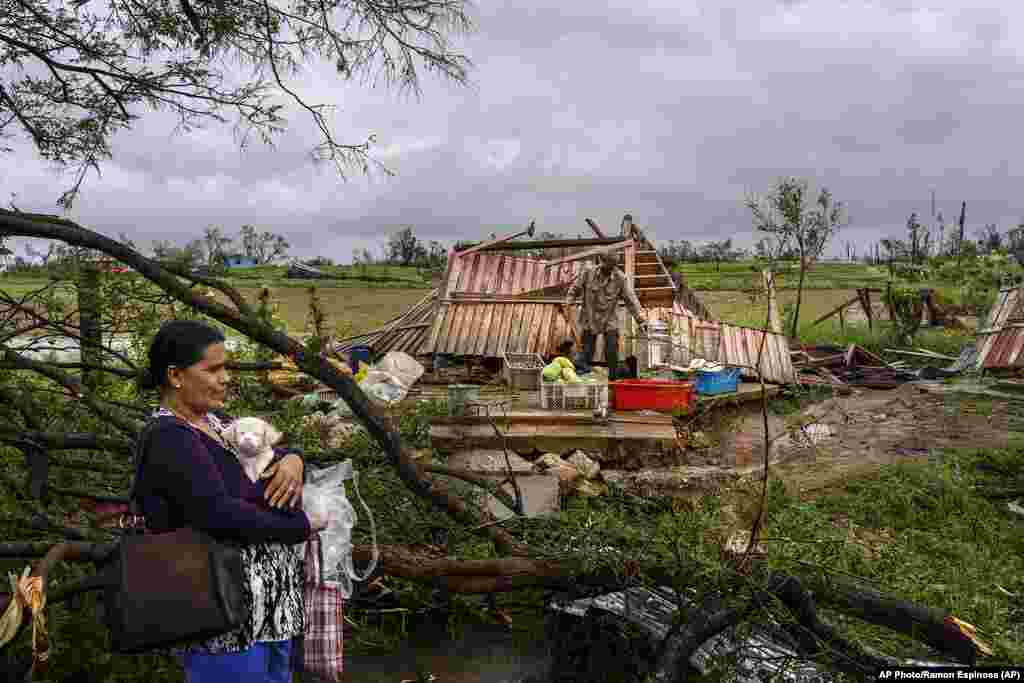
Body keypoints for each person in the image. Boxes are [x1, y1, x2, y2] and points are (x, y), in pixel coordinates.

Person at [135, 319, 328, 682]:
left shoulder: (216, 423)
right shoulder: (169, 438)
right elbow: (222, 514)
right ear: (176, 375)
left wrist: (294, 457)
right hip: (222, 616)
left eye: (227, 367)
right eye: (214, 369)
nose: (225, 378)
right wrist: (301, 526)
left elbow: (265, 452)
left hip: (269, 608)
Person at [562, 251, 647, 379]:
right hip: (589, 317)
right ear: (601, 262)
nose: (611, 268)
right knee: (587, 351)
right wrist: (569, 300)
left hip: (609, 318)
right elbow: (575, 289)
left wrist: (641, 319)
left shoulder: (620, 278)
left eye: (613, 265)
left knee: (612, 351)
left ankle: (613, 379)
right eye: (608, 265)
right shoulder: (588, 273)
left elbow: (631, 300)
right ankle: (582, 378)